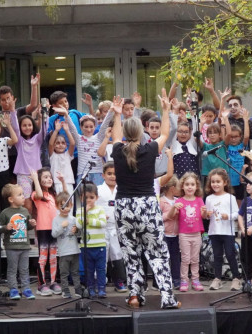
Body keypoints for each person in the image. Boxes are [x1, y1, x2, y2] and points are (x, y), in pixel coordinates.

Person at [112, 89, 181, 309]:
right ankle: (167, 298)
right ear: (142, 131)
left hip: (123, 206)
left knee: (130, 253)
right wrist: (166, 109)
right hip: (147, 206)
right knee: (158, 253)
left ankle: (135, 295)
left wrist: (116, 114)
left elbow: (115, 136)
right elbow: (166, 133)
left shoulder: (117, 149)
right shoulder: (150, 149)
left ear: (125, 132)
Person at [0, 75, 40, 180]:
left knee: (20, 181)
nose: (6, 102)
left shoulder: (18, 111)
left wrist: (34, 86)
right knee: (7, 184)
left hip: (19, 153)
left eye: (8, 98)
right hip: (2, 156)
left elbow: (33, 105)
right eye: (3, 99)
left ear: (12, 98)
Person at [168, 172, 207, 292]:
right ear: (182, 186)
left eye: (192, 184)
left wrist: (205, 211)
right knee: (185, 259)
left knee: (195, 259)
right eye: (187, 184)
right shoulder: (179, 201)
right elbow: (170, 216)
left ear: (196, 186)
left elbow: (204, 217)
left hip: (196, 234)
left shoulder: (199, 200)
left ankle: (195, 280)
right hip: (184, 234)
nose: (190, 187)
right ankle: (184, 280)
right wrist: (174, 207)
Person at [31, 168, 67, 296]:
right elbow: (39, 195)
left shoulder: (53, 195)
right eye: (45, 177)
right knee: (43, 258)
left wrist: (62, 181)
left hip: (54, 229)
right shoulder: (36, 194)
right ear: (39, 181)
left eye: (50, 177)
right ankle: (41, 284)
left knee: (53, 257)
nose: (49, 179)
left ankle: (53, 282)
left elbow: (65, 198)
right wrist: (35, 178)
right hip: (43, 229)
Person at [0, 184, 37, 300]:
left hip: (24, 245)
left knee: (25, 269)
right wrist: (5, 227)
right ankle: (13, 289)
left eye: (23, 194)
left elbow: (27, 227)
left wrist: (31, 224)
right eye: (20, 195)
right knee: (12, 269)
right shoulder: (5, 213)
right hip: (11, 246)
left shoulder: (25, 211)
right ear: (11, 199)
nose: (23, 197)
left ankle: (26, 289)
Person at [204, 168, 241, 291]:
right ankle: (217, 278)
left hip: (227, 231)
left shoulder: (230, 197)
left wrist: (228, 216)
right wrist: (207, 215)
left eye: (218, 181)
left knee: (230, 254)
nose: (215, 184)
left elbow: (237, 213)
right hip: (214, 231)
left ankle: (236, 278)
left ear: (225, 182)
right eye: (213, 182)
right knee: (217, 255)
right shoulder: (209, 198)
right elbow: (207, 216)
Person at [10, 98, 48, 214]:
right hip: (23, 176)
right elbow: (15, 129)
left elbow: (44, 130)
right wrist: (12, 110)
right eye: (24, 125)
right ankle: (26, 229)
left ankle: (38, 231)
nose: (27, 128)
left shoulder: (37, 139)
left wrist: (45, 114)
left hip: (37, 174)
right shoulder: (19, 141)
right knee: (27, 204)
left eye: (29, 125)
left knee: (39, 204)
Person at [97, 162, 128, 293]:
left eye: (115, 174)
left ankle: (119, 281)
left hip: (117, 228)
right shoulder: (98, 189)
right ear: (103, 175)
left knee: (117, 254)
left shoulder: (122, 189)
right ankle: (100, 282)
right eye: (109, 174)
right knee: (102, 255)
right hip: (101, 227)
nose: (112, 176)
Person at [76, 182, 107, 298]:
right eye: (86, 197)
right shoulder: (80, 211)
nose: (89, 200)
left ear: (97, 198)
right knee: (89, 270)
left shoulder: (100, 209)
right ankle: (91, 289)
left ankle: (102, 289)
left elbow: (103, 223)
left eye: (92, 197)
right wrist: (85, 212)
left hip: (99, 245)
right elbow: (79, 225)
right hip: (86, 247)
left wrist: (90, 222)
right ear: (81, 198)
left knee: (100, 269)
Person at [51, 191, 83, 299]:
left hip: (75, 250)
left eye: (67, 206)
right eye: (62, 206)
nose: (65, 209)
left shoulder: (73, 219)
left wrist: (77, 230)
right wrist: (62, 226)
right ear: (57, 206)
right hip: (64, 252)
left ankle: (78, 289)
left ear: (71, 205)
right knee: (64, 273)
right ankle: (65, 290)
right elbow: (54, 234)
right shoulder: (56, 220)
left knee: (75, 272)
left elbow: (79, 234)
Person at [159, 175, 181, 289]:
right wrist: (169, 214)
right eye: (178, 187)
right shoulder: (161, 201)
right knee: (163, 258)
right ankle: (162, 280)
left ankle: (176, 279)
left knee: (175, 257)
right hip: (164, 234)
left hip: (176, 234)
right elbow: (158, 218)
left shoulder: (178, 201)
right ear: (172, 188)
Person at [48, 118, 75, 194]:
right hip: (56, 183)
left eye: (63, 143)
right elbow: (50, 144)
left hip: (68, 182)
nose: (60, 145)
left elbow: (72, 144)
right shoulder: (52, 155)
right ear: (54, 145)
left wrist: (67, 130)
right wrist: (56, 130)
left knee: (69, 204)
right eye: (58, 143)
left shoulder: (68, 155)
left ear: (66, 145)